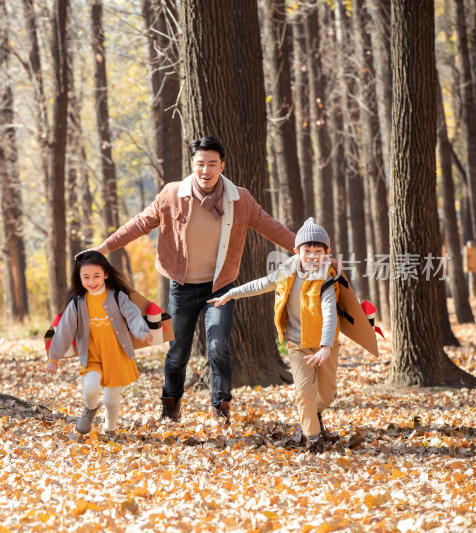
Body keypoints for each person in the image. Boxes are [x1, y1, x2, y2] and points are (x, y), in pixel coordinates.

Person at [81, 136, 295, 424]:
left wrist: (305, 250)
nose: (205, 170)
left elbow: (271, 226)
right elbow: (140, 223)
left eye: (212, 164)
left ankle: (221, 406)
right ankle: (171, 404)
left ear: (222, 166)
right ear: (192, 165)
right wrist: (104, 248)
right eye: (200, 164)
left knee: (218, 345)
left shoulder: (239, 199)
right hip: (182, 287)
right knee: (177, 350)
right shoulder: (172, 194)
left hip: (220, 287)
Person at [209, 218, 339, 453]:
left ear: (327, 253)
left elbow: (330, 315)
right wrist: (231, 294)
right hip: (297, 344)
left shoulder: (327, 279)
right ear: (296, 252)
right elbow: (261, 284)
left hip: (325, 345)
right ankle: (312, 438)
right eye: (306, 251)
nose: (311, 257)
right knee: (303, 392)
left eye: (317, 252)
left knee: (327, 393)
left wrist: (326, 347)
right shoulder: (287, 272)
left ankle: (315, 414)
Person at [46, 251, 153, 435]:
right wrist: (53, 358)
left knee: (111, 400)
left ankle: (110, 429)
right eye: (86, 277)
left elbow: (133, 315)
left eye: (96, 276)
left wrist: (142, 332)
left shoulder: (117, 296)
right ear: (79, 279)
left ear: (106, 274)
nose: (92, 281)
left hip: (117, 355)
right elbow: (65, 330)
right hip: (92, 355)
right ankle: (90, 409)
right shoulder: (78, 303)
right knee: (90, 388)